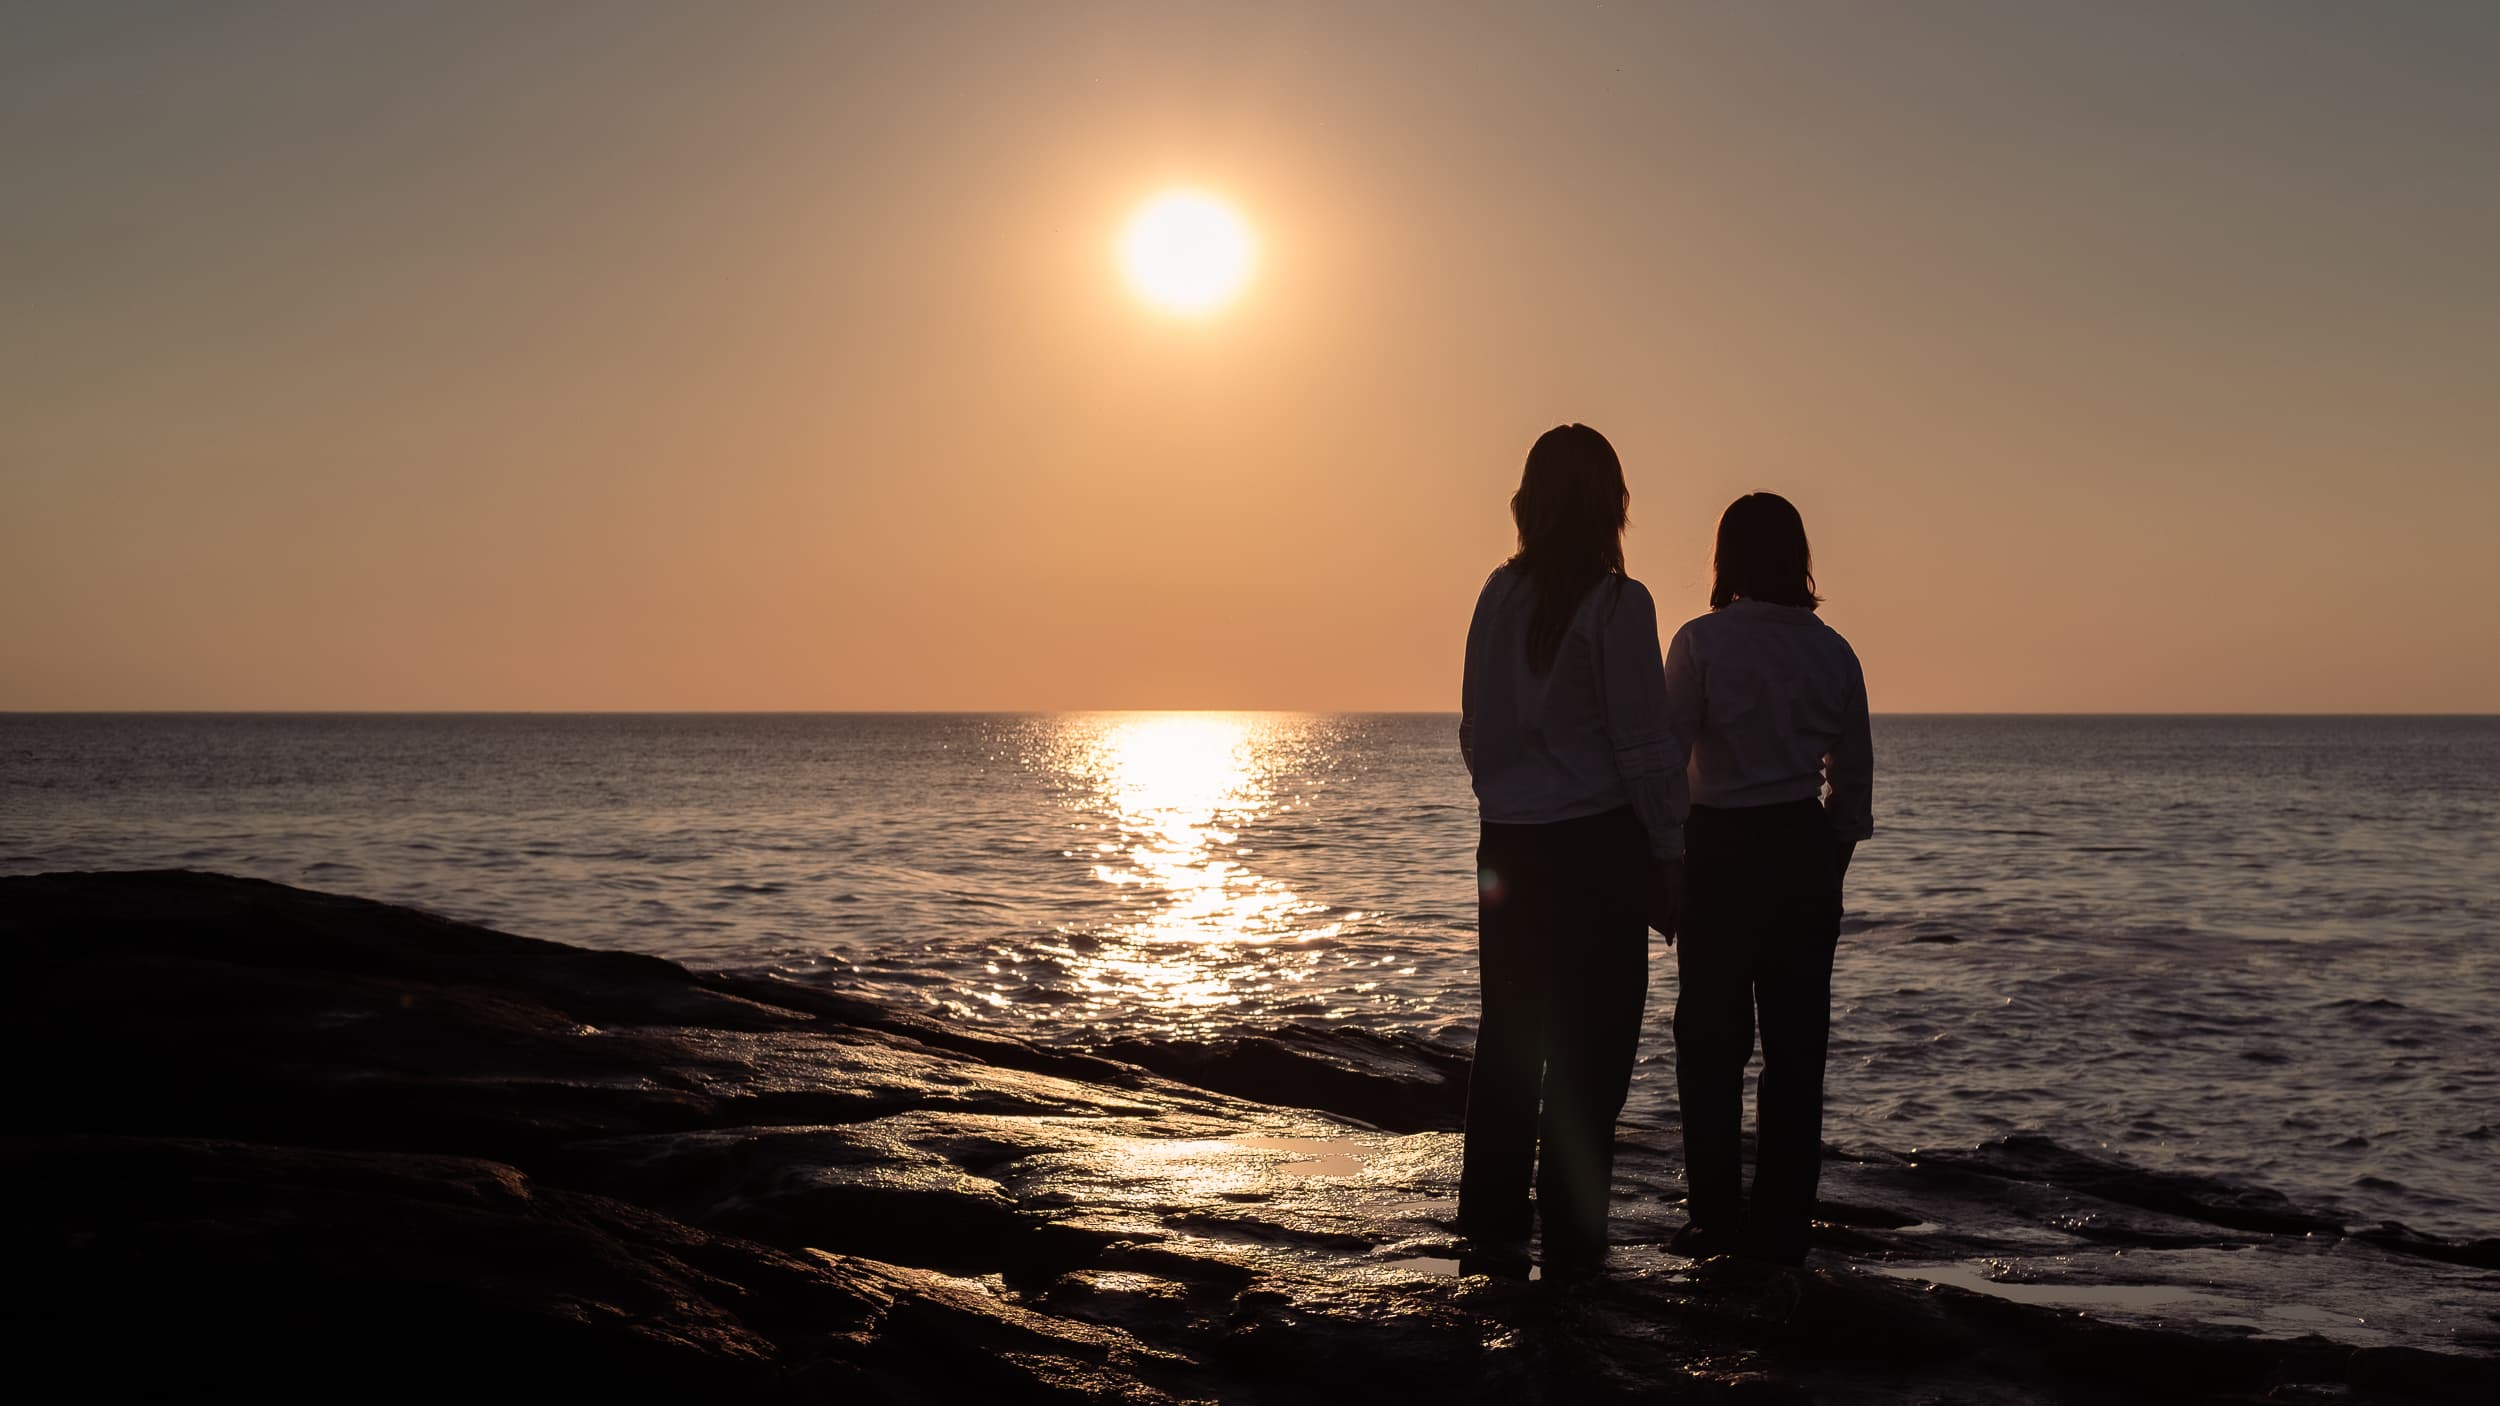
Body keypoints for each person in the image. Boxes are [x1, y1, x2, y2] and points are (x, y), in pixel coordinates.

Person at [1457, 423, 1685, 1277]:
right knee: (1594, 1047)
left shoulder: (1493, 595)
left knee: (1512, 1036)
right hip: (1594, 845)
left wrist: (1511, 800)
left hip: (1508, 844)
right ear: (1611, 506)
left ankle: (1489, 1225)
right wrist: (1671, 853)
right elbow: (1644, 747)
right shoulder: (1620, 604)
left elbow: (1478, 732)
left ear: (1529, 502)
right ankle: (1574, 1233)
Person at [1663, 491, 1873, 1267]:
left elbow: (1665, 760)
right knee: (1796, 1049)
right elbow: (1851, 791)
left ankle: (1715, 1216)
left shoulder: (1700, 643)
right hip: (1800, 845)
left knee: (1711, 1044)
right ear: (1799, 560)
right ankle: (1784, 1224)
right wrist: (1827, 865)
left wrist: (1667, 861)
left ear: (1726, 560)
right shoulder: (1834, 652)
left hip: (1717, 846)